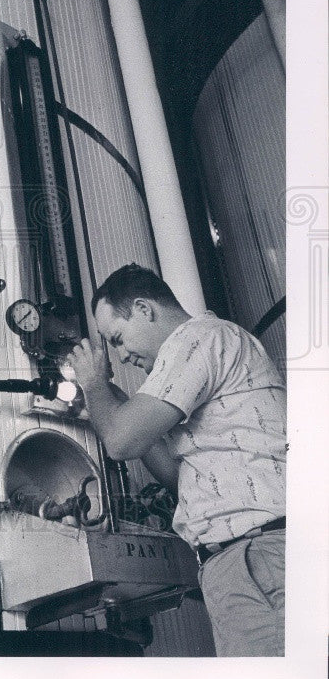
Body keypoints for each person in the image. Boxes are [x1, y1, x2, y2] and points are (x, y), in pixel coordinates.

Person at [65, 263, 286, 657]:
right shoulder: (202, 354)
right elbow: (172, 473)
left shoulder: (200, 337)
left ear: (145, 309)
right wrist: (109, 396)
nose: (120, 354)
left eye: (117, 338)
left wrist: (94, 384)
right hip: (237, 560)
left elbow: (119, 442)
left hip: (260, 555)